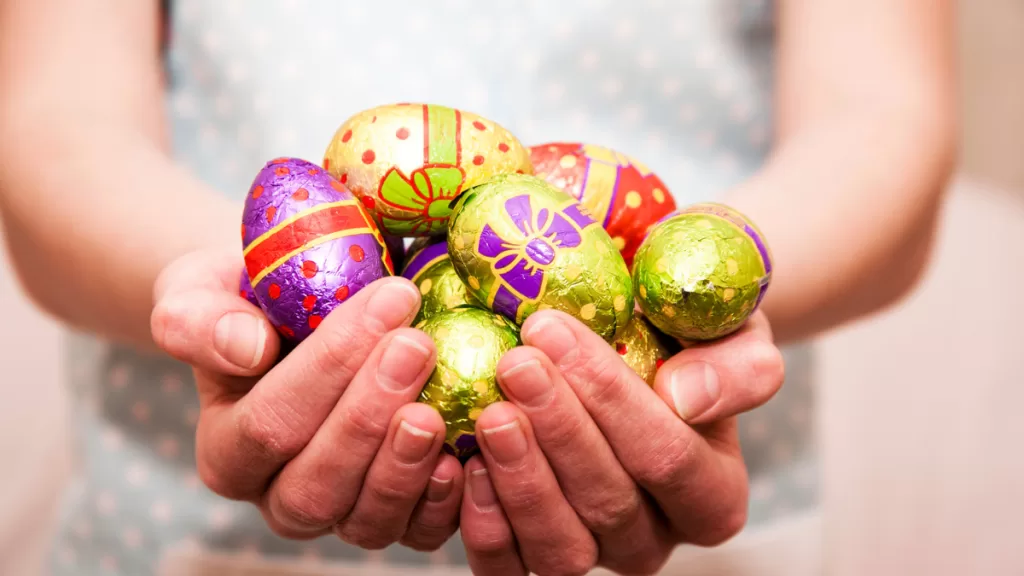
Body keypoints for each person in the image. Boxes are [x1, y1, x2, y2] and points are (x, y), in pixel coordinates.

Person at [0, 0, 954, 574]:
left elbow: (879, 115)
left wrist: (694, 308)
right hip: (185, 501)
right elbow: (57, 126)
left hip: (687, 446)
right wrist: (246, 290)